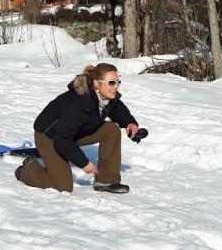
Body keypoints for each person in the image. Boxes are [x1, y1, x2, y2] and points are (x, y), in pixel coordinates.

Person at [15, 63, 142, 194]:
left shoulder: (106, 96)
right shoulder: (78, 102)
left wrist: (129, 123)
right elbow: (62, 138)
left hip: (72, 133)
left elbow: (117, 108)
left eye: (117, 82)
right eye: (111, 82)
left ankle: (106, 181)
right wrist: (84, 163)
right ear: (97, 83)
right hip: (50, 138)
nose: (115, 87)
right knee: (63, 186)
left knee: (111, 130)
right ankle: (27, 169)